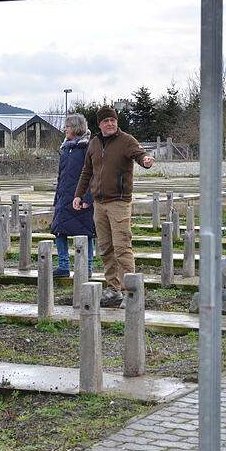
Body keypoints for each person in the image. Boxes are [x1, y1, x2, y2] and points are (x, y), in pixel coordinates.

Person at [73, 105, 154, 307]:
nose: (110, 124)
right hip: (99, 204)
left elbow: (139, 155)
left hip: (119, 202)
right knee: (106, 249)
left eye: (113, 120)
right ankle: (113, 289)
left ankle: (131, 292)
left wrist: (145, 161)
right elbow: (86, 171)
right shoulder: (94, 144)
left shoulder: (126, 140)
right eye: (106, 121)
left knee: (122, 247)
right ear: (99, 124)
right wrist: (79, 195)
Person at [51, 113, 95, 278]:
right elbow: (61, 176)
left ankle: (87, 267)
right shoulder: (66, 148)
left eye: (67, 127)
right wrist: (58, 197)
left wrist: (87, 198)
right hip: (64, 198)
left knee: (86, 232)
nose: (65, 129)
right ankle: (63, 266)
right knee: (59, 230)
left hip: (80, 198)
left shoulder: (87, 148)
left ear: (76, 128)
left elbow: (93, 175)